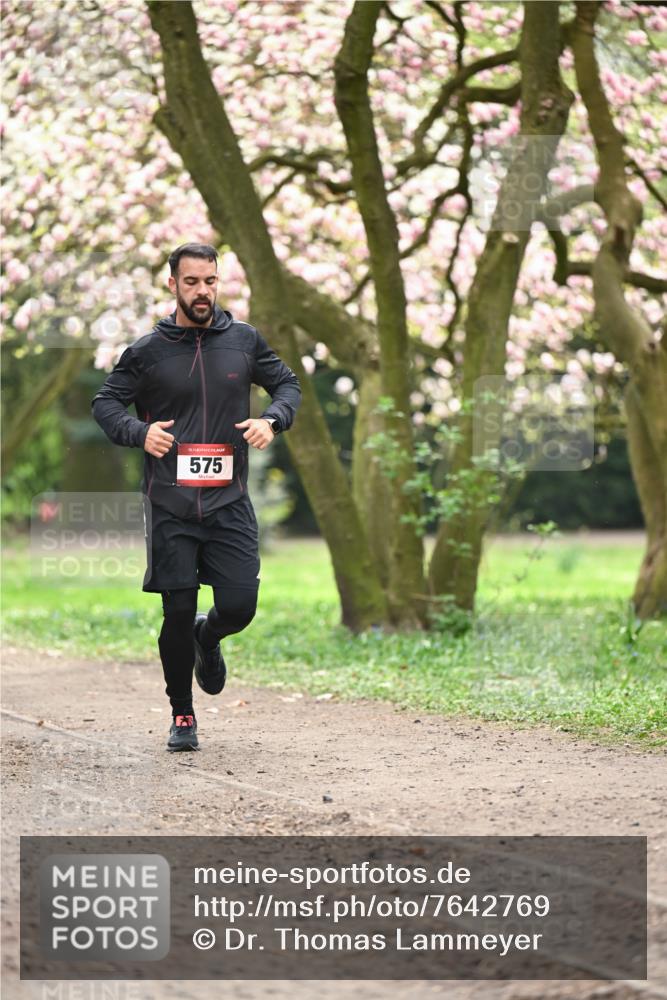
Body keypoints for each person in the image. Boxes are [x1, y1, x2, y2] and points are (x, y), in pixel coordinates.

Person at [91, 243, 301, 752]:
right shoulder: (147, 352)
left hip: (228, 502)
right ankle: (182, 714)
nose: (202, 291)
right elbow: (105, 402)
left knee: (240, 606)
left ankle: (211, 638)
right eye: (192, 282)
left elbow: (288, 386)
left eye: (209, 281)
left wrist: (271, 420)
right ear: (173, 285)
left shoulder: (244, 342)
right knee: (178, 610)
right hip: (170, 504)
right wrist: (138, 434)